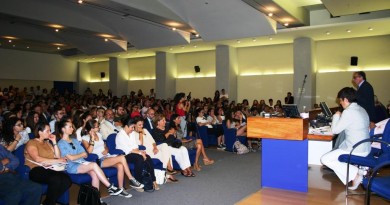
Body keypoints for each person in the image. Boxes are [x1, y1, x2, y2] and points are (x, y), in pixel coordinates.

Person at [56, 119, 123, 197]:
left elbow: (86, 154)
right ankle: (110, 186)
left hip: (82, 163)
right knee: (94, 165)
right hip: (72, 166)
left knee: (94, 174)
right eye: (70, 127)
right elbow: (71, 158)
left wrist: (79, 155)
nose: (72, 128)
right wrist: (80, 155)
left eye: (72, 127)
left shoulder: (74, 140)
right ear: (63, 129)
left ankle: (96, 200)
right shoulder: (61, 143)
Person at [320, 87, 371, 190]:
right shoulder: (362, 109)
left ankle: (357, 174)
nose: (340, 103)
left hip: (356, 149)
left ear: (346, 100)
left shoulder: (348, 112)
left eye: (340, 100)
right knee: (335, 154)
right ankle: (356, 174)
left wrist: (336, 116)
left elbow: (335, 131)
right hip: (365, 147)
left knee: (325, 159)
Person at [81, 119, 143, 197]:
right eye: (97, 127)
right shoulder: (85, 138)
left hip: (107, 156)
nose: (99, 128)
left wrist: (106, 150)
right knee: (122, 158)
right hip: (98, 160)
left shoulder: (99, 135)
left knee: (120, 165)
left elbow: (105, 146)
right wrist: (92, 138)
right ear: (91, 129)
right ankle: (131, 179)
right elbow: (89, 151)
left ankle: (121, 189)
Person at [25, 122, 72, 205]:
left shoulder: (47, 143)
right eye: (47, 131)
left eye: (50, 130)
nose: (50, 133)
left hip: (49, 168)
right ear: (40, 132)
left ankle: (47, 202)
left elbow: (58, 156)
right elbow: (37, 159)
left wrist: (54, 141)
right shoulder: (31, 142)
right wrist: (58, 161)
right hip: (35, 169)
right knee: (56, 179)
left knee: (67, 180)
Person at [115, 117, 159, 191]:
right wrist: (140, 153)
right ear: (126, 126)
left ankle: (153, 180)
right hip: (124, 155)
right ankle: (137, 182)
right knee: (139, 158)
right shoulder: (120, 135)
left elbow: (135, 146)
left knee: (148, 157)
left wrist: (141, 152)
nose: (133, 129)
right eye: (132, 127)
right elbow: (127, 150)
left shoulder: (131, 133)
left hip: (133, 152)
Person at [132, 117, 178, 182]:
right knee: (165, 153)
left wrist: (155, 147)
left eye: (142, 124)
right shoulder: (133, 134)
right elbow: (140, 145)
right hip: (146, 151)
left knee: (165, 145)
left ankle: (168, 168)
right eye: (140, 125)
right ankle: (167, 170)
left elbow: (153, 141)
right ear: (134, 125)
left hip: (154, 147)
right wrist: (140, 134)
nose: (141, 126)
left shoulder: (145, 130)